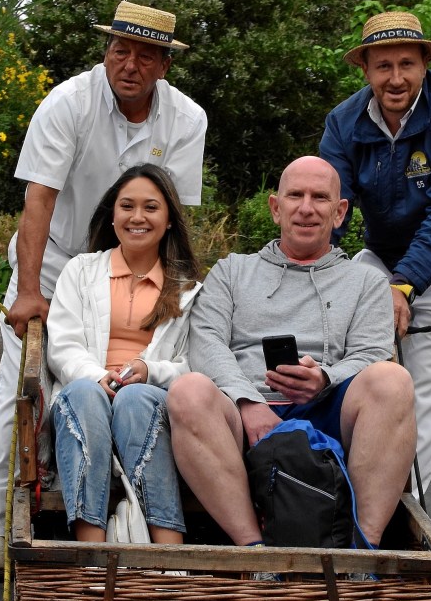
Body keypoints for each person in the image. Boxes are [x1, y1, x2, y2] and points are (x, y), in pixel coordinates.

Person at [0, 1, 207, 580]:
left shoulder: (186, 118)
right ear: (106, 53)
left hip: (138, 258)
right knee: (23, 385)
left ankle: (149, 521)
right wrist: (29, 293)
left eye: (145, 56)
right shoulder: (69, 102)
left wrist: (178, 293)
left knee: (148, 381)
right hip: (55, 259)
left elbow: (172, 212)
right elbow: (39, 199)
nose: (130, 65)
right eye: (120, 51)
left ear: (164, 66)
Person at [167, 156, 417, 551]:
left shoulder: (366, 281)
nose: (306, 208)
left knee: (393, 380)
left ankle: (361, 554)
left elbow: (371, 352)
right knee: (188, 391)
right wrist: (247, 402)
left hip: (328, 408)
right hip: (243, 414)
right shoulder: (232, 271)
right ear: (275, 207)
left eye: (320, 198)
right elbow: (205, 340)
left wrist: (325, 378)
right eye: (295, 195)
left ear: (339, 212)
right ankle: (255, 553)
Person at [319, 10, 431, 497]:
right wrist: (308, 271)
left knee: (421, 408)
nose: (395, 78)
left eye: (406, 64)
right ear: (365, 69)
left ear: (424, 65)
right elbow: (331, 209)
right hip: (383, 257)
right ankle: (331, 501)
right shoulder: (343, 121)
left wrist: (404, 285)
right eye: (383, 66)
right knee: (350, 383)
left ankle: (394, 522)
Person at [47, 165, 201, 544]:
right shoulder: (80, 271)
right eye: (127, 206)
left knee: (135, 398)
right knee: (85, 394)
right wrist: (97, 377)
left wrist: (149, 371)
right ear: (113, 215)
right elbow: (62, 345)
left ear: (169, 220)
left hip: (150, 403)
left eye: (151, 207)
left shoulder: (189, 290)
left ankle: (169, 558)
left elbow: (195, 364)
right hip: (87, 396)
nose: (137, 217)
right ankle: (92, 555)